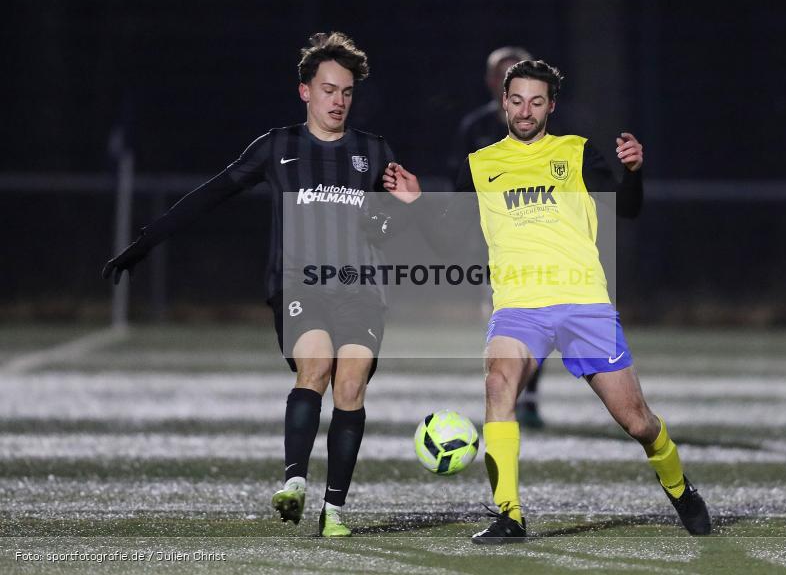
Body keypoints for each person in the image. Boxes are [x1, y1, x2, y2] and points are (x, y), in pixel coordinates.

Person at [383, 59, 711, 543]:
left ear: (550, 106)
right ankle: (509, 515)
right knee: (498, 385)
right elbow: (453, 240)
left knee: (638, 422)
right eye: (517, 100)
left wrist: (635, 172)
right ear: (504, 102)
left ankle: (681, 489)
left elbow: (629, 208)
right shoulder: (481, 163)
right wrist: (416, 207)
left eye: (537, 101)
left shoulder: (576, 153)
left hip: (583, 305)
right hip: (518, 306)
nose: (525, 110)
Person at [102, 32, 399, 538]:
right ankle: (295, 482)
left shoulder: (372, 151)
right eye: (329, 90)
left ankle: (335, 511)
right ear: (305, 91)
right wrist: (145, 243)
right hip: (297, 284)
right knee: (317, 366)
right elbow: (210, 195)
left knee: (350, 385)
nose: (338, 101)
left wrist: (401, 211)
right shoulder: (276, 147)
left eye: (347, 92)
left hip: (360, 287)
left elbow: (388, 227)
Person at [451, 46, 547, 429]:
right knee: (502, 318)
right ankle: (510, 393)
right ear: (493, 82)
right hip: (490, 241)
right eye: (503, 74)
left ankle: (528, 398)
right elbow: (459, 184)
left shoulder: (543, 125)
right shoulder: (475, 128)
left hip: (535, 235)